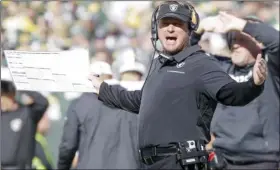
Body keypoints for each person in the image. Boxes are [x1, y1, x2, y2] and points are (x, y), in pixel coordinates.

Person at [88, 1, 268, 169]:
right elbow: (139, 101)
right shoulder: (159, 65)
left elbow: (232, 93)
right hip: (151, 163)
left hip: (181, 162)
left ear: (189, 30)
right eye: (165, 24)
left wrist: (254, 84)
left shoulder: (201, 63)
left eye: (178, 23)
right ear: (156, 30)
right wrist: (103, 89)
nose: (171, 28)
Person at [194, 12, 279, 169]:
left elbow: (277, 41)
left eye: (241, 39)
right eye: (232, 39)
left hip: (260, 160)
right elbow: (185, 56)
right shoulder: (221, 67)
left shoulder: (271, 66)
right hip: (221, 158)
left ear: (259, 43)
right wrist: (199, 29)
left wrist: (243, 25)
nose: (235, 44)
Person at [57, 61, 139, 169]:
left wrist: (62, 167)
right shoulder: (129, 99)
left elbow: (68, 146)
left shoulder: (79, 104)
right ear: (112, 77)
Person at [1, 68, 49, 170]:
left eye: (2, 96)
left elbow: (43, 102)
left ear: (11, 94)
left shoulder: (27, 113)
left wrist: (22, 85)